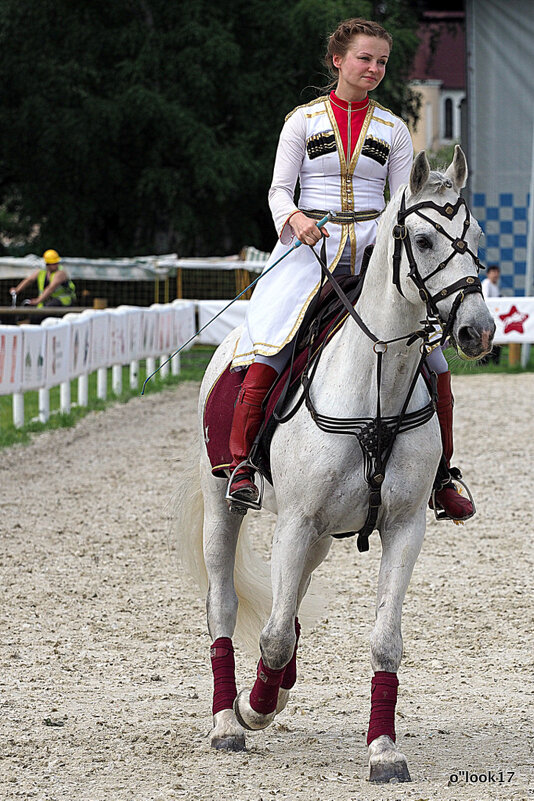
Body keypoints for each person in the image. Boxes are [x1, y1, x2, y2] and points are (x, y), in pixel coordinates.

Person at [226, 17, 473, 522]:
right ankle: (242, 464)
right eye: (365, 58)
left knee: (435, 362)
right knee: (272, 344)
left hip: (374, 252)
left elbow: (404, 201)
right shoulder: (301, 122)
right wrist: (294, 218)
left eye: (382, 61)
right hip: (308, 251)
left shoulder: (393, 129)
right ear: (338, 60)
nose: (374, 68)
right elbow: (278, 190)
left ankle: (443, 476)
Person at [10, 249, 76, 309]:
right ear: (47, 264)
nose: (56, 265)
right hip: (47, 300)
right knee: (33, 313)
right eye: (53, 264)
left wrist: (37, 301)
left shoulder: (60, 273)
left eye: (56, 263)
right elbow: (29, 280)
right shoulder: (42, 272)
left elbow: (50, 288)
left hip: (64, 301)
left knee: (45, 310)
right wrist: (17, 290)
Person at [481, 264, 501, 364]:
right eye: (493, 272)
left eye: (497, 272)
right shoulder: (487, 284)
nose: (495, 274)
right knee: (485, 338)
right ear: (488, 274)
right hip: (487, 316)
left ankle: (493, 361)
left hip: (493, 316)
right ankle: (483, 361)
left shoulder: (495, 286)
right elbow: (486, 300)